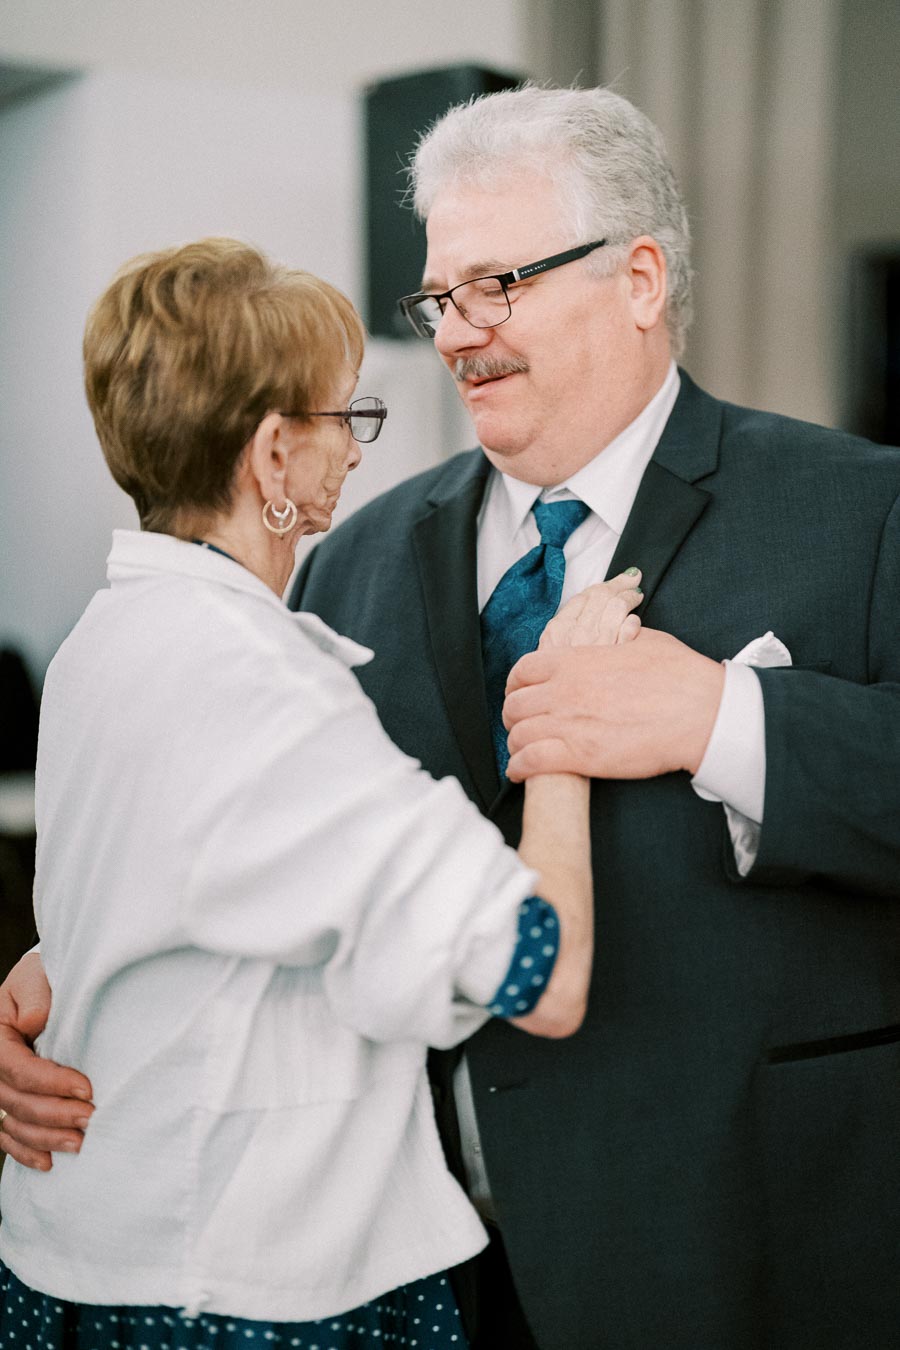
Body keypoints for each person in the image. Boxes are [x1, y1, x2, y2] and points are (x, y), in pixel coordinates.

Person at [2, 85, 899, 1349]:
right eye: (441, 298)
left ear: (641, 278)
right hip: (406, 1265)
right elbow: (275, 843)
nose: (458, 335)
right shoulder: (349, 556)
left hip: (735, 1244)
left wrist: (723, 719)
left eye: (501, 284)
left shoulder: (861, 509)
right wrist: (72, 980)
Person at [0, 235, 645, 1350]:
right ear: (270, 458)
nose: (352, 456)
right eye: (342, 421)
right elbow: (539, 966)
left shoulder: (103, 639)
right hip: (253, 1289)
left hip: (91, 1249)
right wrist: (566, 720)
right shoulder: (264, 689)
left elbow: (183, 897)